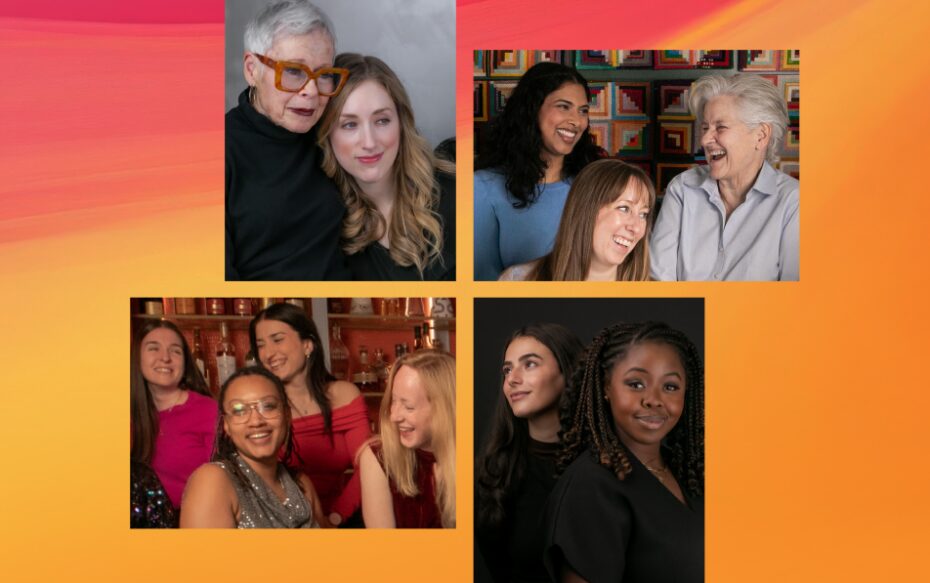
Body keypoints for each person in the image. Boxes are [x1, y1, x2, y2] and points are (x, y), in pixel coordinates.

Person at [544, 322, 705, 583]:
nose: (654, 400)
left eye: (670, 386)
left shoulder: (690, 473)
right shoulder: (590, 487)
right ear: (606, 387)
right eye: (636, 384)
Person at [226, 0, 351, 280]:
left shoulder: (334, 131)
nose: (311, 91)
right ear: (252, 70)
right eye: (293, 71)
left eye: (323, 75)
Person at [317, 53, 455, 280]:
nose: (369, 142)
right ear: (327, 134)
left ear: (401, 123)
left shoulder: (455, 193)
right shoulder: (323, 226)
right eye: (349, 124)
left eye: (382, 120)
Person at [650, 73, 800, 281]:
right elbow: (659, 281)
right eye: (705, 128)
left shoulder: (793, 202)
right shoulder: (682, 189)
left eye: (720, 127)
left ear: (761, 135)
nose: (704, 139)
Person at [476, 324, 584, 583]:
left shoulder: (605, 465)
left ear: (568, 370)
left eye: (530, 364)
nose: (512, 379)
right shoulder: (493, 473)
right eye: (507, 369)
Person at [474, 61, 601, 280]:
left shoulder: (594, 184)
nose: (576, 121)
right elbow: (483, 280)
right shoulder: (483, 187)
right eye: (563, 106)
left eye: (583, 111)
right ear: (532, 110)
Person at [250, 302, 368, 526]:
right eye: (260, 345)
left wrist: (335, 517)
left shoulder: (344, 395)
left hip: (342, 516)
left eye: (277, 339)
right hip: (282, 522)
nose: (268, 353)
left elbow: (369, 467)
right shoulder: (261, 408)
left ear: (307, 345)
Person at [180, 367, 327, 528]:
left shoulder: (302, 485)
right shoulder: (212, 481)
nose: (256, 421)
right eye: (239, 411)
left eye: (268, 406)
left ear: (287, 415)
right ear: (226, 425)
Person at [499, 159, 655, 281]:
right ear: (586, 209)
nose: (636, 228)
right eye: (624, 208)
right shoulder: (518, 280)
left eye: (643, 214)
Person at [358, 350, 456, 528]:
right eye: (393, 401)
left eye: (408, 407)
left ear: (444, 410)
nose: (394, 417)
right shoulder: (378, 458)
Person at [130, 319, 216, 511]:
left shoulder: (207, 411)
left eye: (175, 351)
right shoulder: (128, 414)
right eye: (154, 348)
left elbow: (227, 484)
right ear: (137, 358)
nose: (165, 358)